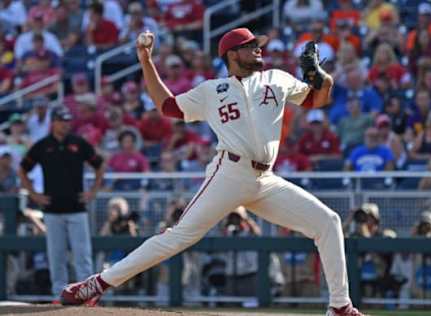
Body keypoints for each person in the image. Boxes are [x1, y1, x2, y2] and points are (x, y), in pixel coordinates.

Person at [61, 27, 365, 316]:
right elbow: (167, 107)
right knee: (178, 237)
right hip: (229, 174)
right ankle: (98, 283)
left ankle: (339, 306)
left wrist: (323, 79)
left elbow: (317, 99)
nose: (258, 49)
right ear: (232, 54)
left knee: (328, 222)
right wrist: (146, 61)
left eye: (258, 45)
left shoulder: (277, 78)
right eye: (250, 46)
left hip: (266, 179)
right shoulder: (211, 90)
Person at [18, 106, 105, 300]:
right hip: (52, 209)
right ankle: (60, 294)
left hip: (77, 208)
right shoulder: (42, 146)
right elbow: (22, 169)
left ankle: (87, 294)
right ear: (53, 122)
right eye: (61, 120)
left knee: (82, 255)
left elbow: (99, 164)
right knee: (56, 255)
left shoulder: (78, 143)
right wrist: (34, 194)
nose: (65, 124)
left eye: (68, 121)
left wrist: (93, 191)